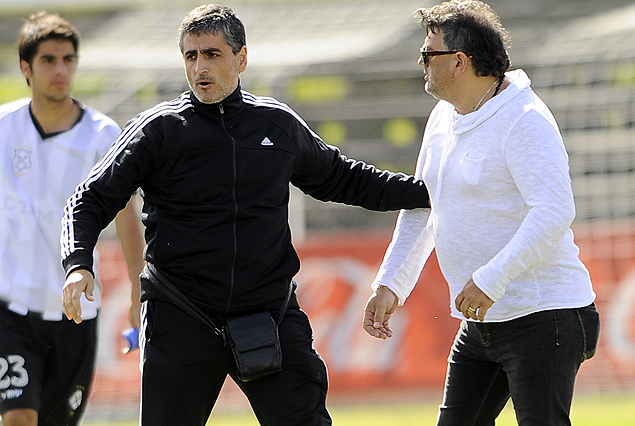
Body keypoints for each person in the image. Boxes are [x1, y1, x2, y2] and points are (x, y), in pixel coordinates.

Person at [59, 4, 431, 426]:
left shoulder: (276, 124)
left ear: (241, 58)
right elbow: (89, 198)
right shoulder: (157, 130)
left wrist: (430, 192)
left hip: (267, 312)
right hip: (181, 313)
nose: (200, 66)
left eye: (212, 54)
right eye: (190, 55)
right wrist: (77, 264)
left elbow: (346, 179)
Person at [363, 1, 600, 425]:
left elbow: (554, 210)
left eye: (427, 54)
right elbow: (423, 204)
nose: (420, 62)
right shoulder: (441, 118)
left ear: (459, 61)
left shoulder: (524, 119)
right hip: (482, 321)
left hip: (545, 316)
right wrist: (392, 283)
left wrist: (491, 279)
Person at [0, 12, 145, 426]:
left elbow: (126, 217)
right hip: (10, 308)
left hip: (75, 312)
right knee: (18, 418)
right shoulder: (3, 129)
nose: (61, 70)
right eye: (48, 60)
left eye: (69, 59)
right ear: (27, 68)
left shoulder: (103, 135)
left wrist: (138, 294)